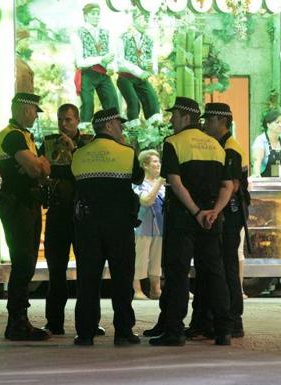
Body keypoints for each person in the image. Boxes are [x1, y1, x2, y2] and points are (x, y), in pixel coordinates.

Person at [147, 97, 235, 347]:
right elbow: (227, 185)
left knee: (178, 273)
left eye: (174, 115)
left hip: (184, 219)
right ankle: (223, 331)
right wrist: (213, 212)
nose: (171, 120)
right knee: (214, 273)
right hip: (211, 219)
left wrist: (196, 212)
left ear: (186, 117)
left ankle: (174, 331)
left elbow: (175, 182)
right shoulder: (217, 146)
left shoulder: (173, 143)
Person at [71, 107, 144, 346]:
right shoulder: (126, 152)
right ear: (110, 125)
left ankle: (85, 332)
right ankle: (123, 331)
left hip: (88, 226)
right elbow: (138, 177)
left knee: (88, 280)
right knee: (123, 279)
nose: (121, 128)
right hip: (119, 225)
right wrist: (122, 145)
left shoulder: (79, 154)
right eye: (119, 124)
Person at [39, 103, 104, 337]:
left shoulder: (88, 143)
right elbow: (40, 170)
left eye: (68, 120)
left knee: (89, 270)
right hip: (58, 213)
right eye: (60, 120)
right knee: (56, 270)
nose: (63, 124)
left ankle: (89, 322)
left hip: (82, 214)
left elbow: (90, 171)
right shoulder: (48, 143)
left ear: (77, 121)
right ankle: (54, 321)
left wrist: (74, 148)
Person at [187, 103, 249, 339]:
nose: (204, 125)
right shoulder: (218, 145)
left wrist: (214, 210)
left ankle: (233, 319)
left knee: (226, 266)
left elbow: (232, 186)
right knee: (216, 266)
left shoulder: (230, 147)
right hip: (223, 211)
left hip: (229, 213)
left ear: (221, 122)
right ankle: (210, 319)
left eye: (208, 120)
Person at [0, 92, 51, 341]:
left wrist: (38, 167)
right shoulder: (13, 136)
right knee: (23, 262)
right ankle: (17, 322)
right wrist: (38, 166)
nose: (35, 116)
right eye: (33, 111)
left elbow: (42, 169)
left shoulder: (26, 137)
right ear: (22, 109)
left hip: (27, 203)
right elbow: (36, 168)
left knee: (27, 263)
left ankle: (19, 320)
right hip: (16, 205)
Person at [71, 3, 119, 124]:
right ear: (86, 16)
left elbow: (111, 56)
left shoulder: (105, 32)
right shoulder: (77, 33)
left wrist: (111, 67)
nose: (96, 16)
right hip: (87, 74)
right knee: (88, 105)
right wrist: (102, 59)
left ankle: (113, 130)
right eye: (93, 13)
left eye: (98, 13)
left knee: (112, 102)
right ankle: (83, 135)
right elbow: (80, 62)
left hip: (103, 73)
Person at [116, 9, 162, 127]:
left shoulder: (150, 40)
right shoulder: (123, 37)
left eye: (146, 19)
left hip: (141, 79)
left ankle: (154, 130)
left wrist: (151, 68)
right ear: (134, 20)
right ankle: (132, 129)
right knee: (133, 102)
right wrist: (139, 71)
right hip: (125, 78)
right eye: (141, 19)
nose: (144, 22)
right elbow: (120, 62)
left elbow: (153, 63)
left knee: (152, 100)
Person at [132, 149, 165, 300]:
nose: (158, 164)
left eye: (159, 161)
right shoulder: (138, 184)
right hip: (142, 227)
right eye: (154, 162)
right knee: (140, 256)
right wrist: (158, 183)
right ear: (145, 165)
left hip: (159, 227)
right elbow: (146, 201)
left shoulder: (162, 185)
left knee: (156, 258)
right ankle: (136, 289)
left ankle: (155, 288)